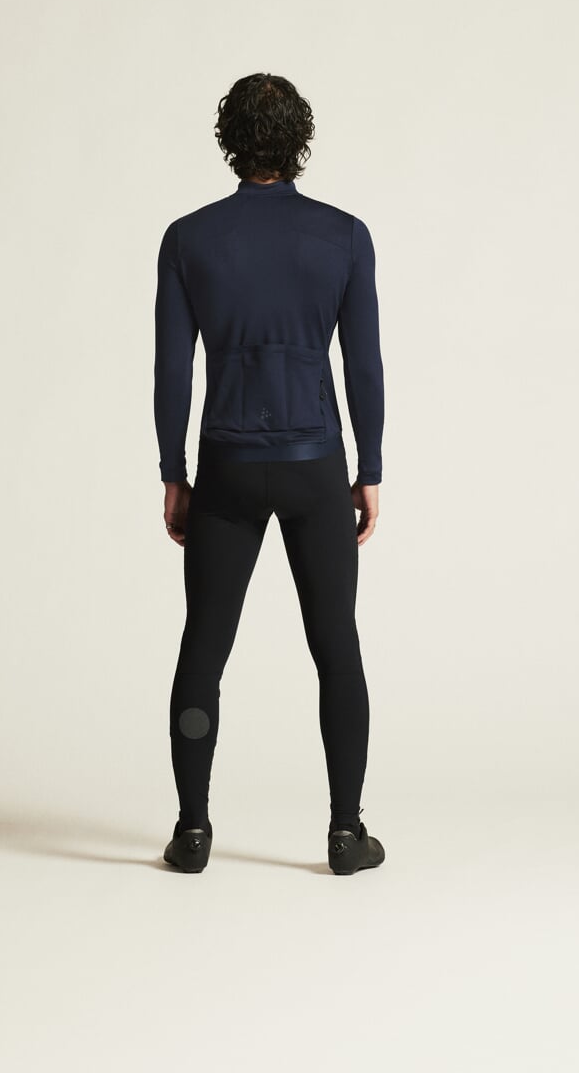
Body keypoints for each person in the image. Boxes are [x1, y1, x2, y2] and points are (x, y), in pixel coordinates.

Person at [155, 72, 387, 876]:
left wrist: (174, 470)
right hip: (315, 465)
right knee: (336, 647)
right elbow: (363, 365)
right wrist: (370, 467)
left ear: (229, 141)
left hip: (224, 466)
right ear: (300, 142)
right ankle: (346, 832)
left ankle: (192, 831)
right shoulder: (344, 236)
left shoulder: (188, 239)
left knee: (203, 648)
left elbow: (172, 369)